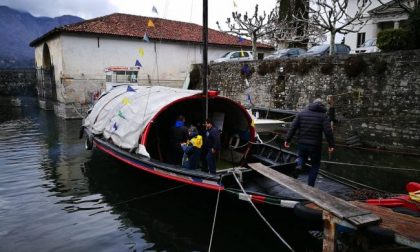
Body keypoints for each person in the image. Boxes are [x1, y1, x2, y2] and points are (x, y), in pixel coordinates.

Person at [284, 98, 335, 187]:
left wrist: (287, 140)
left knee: (301, 157)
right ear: (321, 106)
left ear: (312, 104)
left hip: (302, 143)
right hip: (315, 145)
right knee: (315, 164)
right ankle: (310, 186)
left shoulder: (301, 113)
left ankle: (299, 166)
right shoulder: (323, 115)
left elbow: (293, 127)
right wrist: (331, 145)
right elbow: (328, 132)